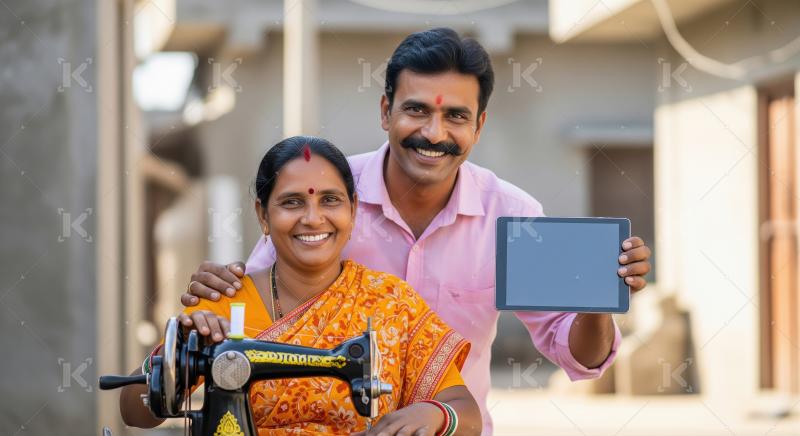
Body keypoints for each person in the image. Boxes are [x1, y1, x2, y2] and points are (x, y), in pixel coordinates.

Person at [183, 28, 652, 434]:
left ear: (479, 125)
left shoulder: (513, 218)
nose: (433, 132)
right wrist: (215, 303)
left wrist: (596, 301)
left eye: (455, 116)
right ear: (385, 112)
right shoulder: (324, 202)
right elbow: (261, 318)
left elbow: (577, 356)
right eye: (416, 110)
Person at [120, 136, 482, 435]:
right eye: (292, 202)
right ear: (263, 215)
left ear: (353, 210)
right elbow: (135, 411)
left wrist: (435, 414)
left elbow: (467, 415)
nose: (312, 218)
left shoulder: (391, 302)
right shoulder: (226, 302)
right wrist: (181, 352)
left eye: (330, 200)